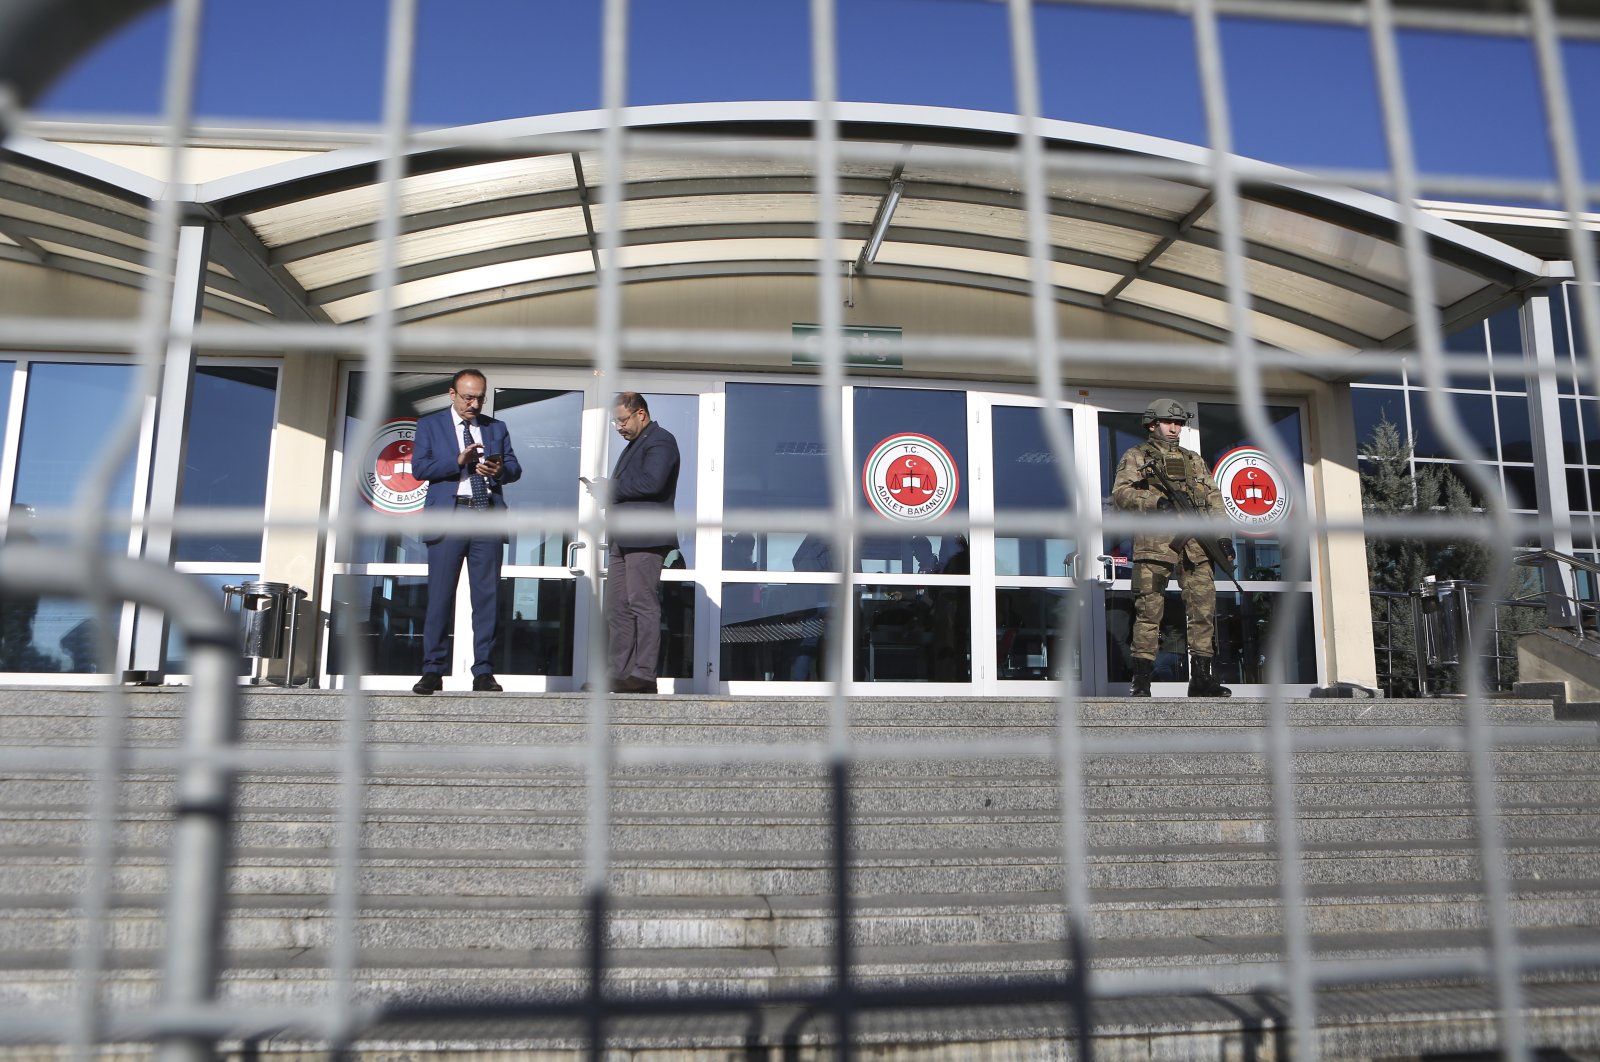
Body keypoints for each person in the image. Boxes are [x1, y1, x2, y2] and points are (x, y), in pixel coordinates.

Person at [1111, 397, 1234, 698]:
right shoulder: (1137, 456)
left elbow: (1214, 500)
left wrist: (1223, 538)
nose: (1175, 428)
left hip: (1197, 545)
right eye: (1169, 422)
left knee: (1203, 611)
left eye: (1179, 423)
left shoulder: (1194, 460)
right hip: (1156, 544)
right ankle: (1141, 681)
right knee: (1149, 611)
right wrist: (1157, 502)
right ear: (1152, 424)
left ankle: (1202, 678)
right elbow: (1121, 494)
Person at [409, 369, 522, 695]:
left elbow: (515, 467)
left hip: (486, 515)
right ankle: (432, 671)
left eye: (479, 398)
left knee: (487, 600)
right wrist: (457, 460)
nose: (474, 404)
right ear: (452, 394)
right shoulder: (429, 425)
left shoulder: (495, 428)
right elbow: (420, 468)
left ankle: (483, 672)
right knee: (439, 599)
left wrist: (500, 470)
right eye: (467, 397)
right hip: (449, 516)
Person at [586, 391, 680, 694]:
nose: (619, 426)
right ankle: (619, 673)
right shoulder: (636, 444)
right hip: (622, 538)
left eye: (623, 420)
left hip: (646, 536)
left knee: (642, 604)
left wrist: (609, 488)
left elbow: (652, 482)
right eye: (616, 422)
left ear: (641, 414)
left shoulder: (661, 440)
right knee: (617, 608)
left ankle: (643, 675)